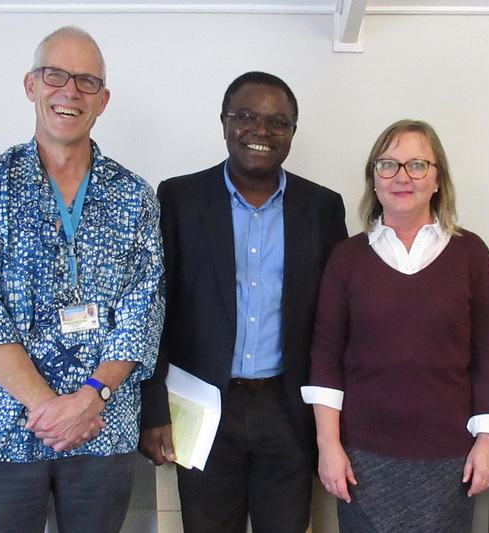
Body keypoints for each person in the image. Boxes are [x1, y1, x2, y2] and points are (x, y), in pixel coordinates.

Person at [0, 26, 164, 533]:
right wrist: (50, 410)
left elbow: (143, 309)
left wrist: (90, 399)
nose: (70, 91)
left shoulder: (135, 196)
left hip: (101, 429)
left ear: (103, 100)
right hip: (2, 425)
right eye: (55, 75)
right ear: (30, 85)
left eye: (87, 81)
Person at [139, 71, 348, 533]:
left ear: (293, 132)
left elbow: (335, 323)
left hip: (288, 411)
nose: (261, 131)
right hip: (201, 407)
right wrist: (152, 410)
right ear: (224, 122)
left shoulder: (322, 208)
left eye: (278, 122)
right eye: (247, 116)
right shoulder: (179, 198)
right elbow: (154, 311)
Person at [303, 119, 489, 532]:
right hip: (362, 455)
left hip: (450, 455)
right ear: (374, 180)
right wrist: (328, 445)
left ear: (437, 179)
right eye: (388, 165)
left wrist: (488, 442)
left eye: (417, 165)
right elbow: (326, 352)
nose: (402, 177)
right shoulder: (348, 258)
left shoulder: (470, 253)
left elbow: (488, 352)